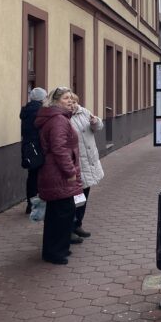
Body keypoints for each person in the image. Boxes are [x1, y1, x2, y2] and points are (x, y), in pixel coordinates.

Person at [34, 86, 83, 265]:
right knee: (61, 213)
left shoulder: (60, 118)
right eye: (65, 98)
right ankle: (54, 252)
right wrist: (70, 171)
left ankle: (58, 248)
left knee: (60, 212)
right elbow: (59, 148)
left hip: (56, 172)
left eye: (71, 98)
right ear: (55, 101)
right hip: (58, 173)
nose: (70, 101)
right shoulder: (58, 120)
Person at [69, 93, 104, 239]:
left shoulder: (84, 112)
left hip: (88, 162)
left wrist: (96, 122)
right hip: (77, 163)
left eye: (74, 101)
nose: (72, 104)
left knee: (83, 197)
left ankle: (78, 224)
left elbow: (98, 127)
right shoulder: (64, 117)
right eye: (69, 101)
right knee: (74, 197)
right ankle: (70, 227)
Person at [20, 87, 47, 214]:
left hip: (28, 147)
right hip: (39, 147)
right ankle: (38, 204)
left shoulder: (26, 110)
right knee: (41, 176)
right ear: (42, 99)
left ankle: (30, 204)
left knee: (32, 176)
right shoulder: (40, 111)